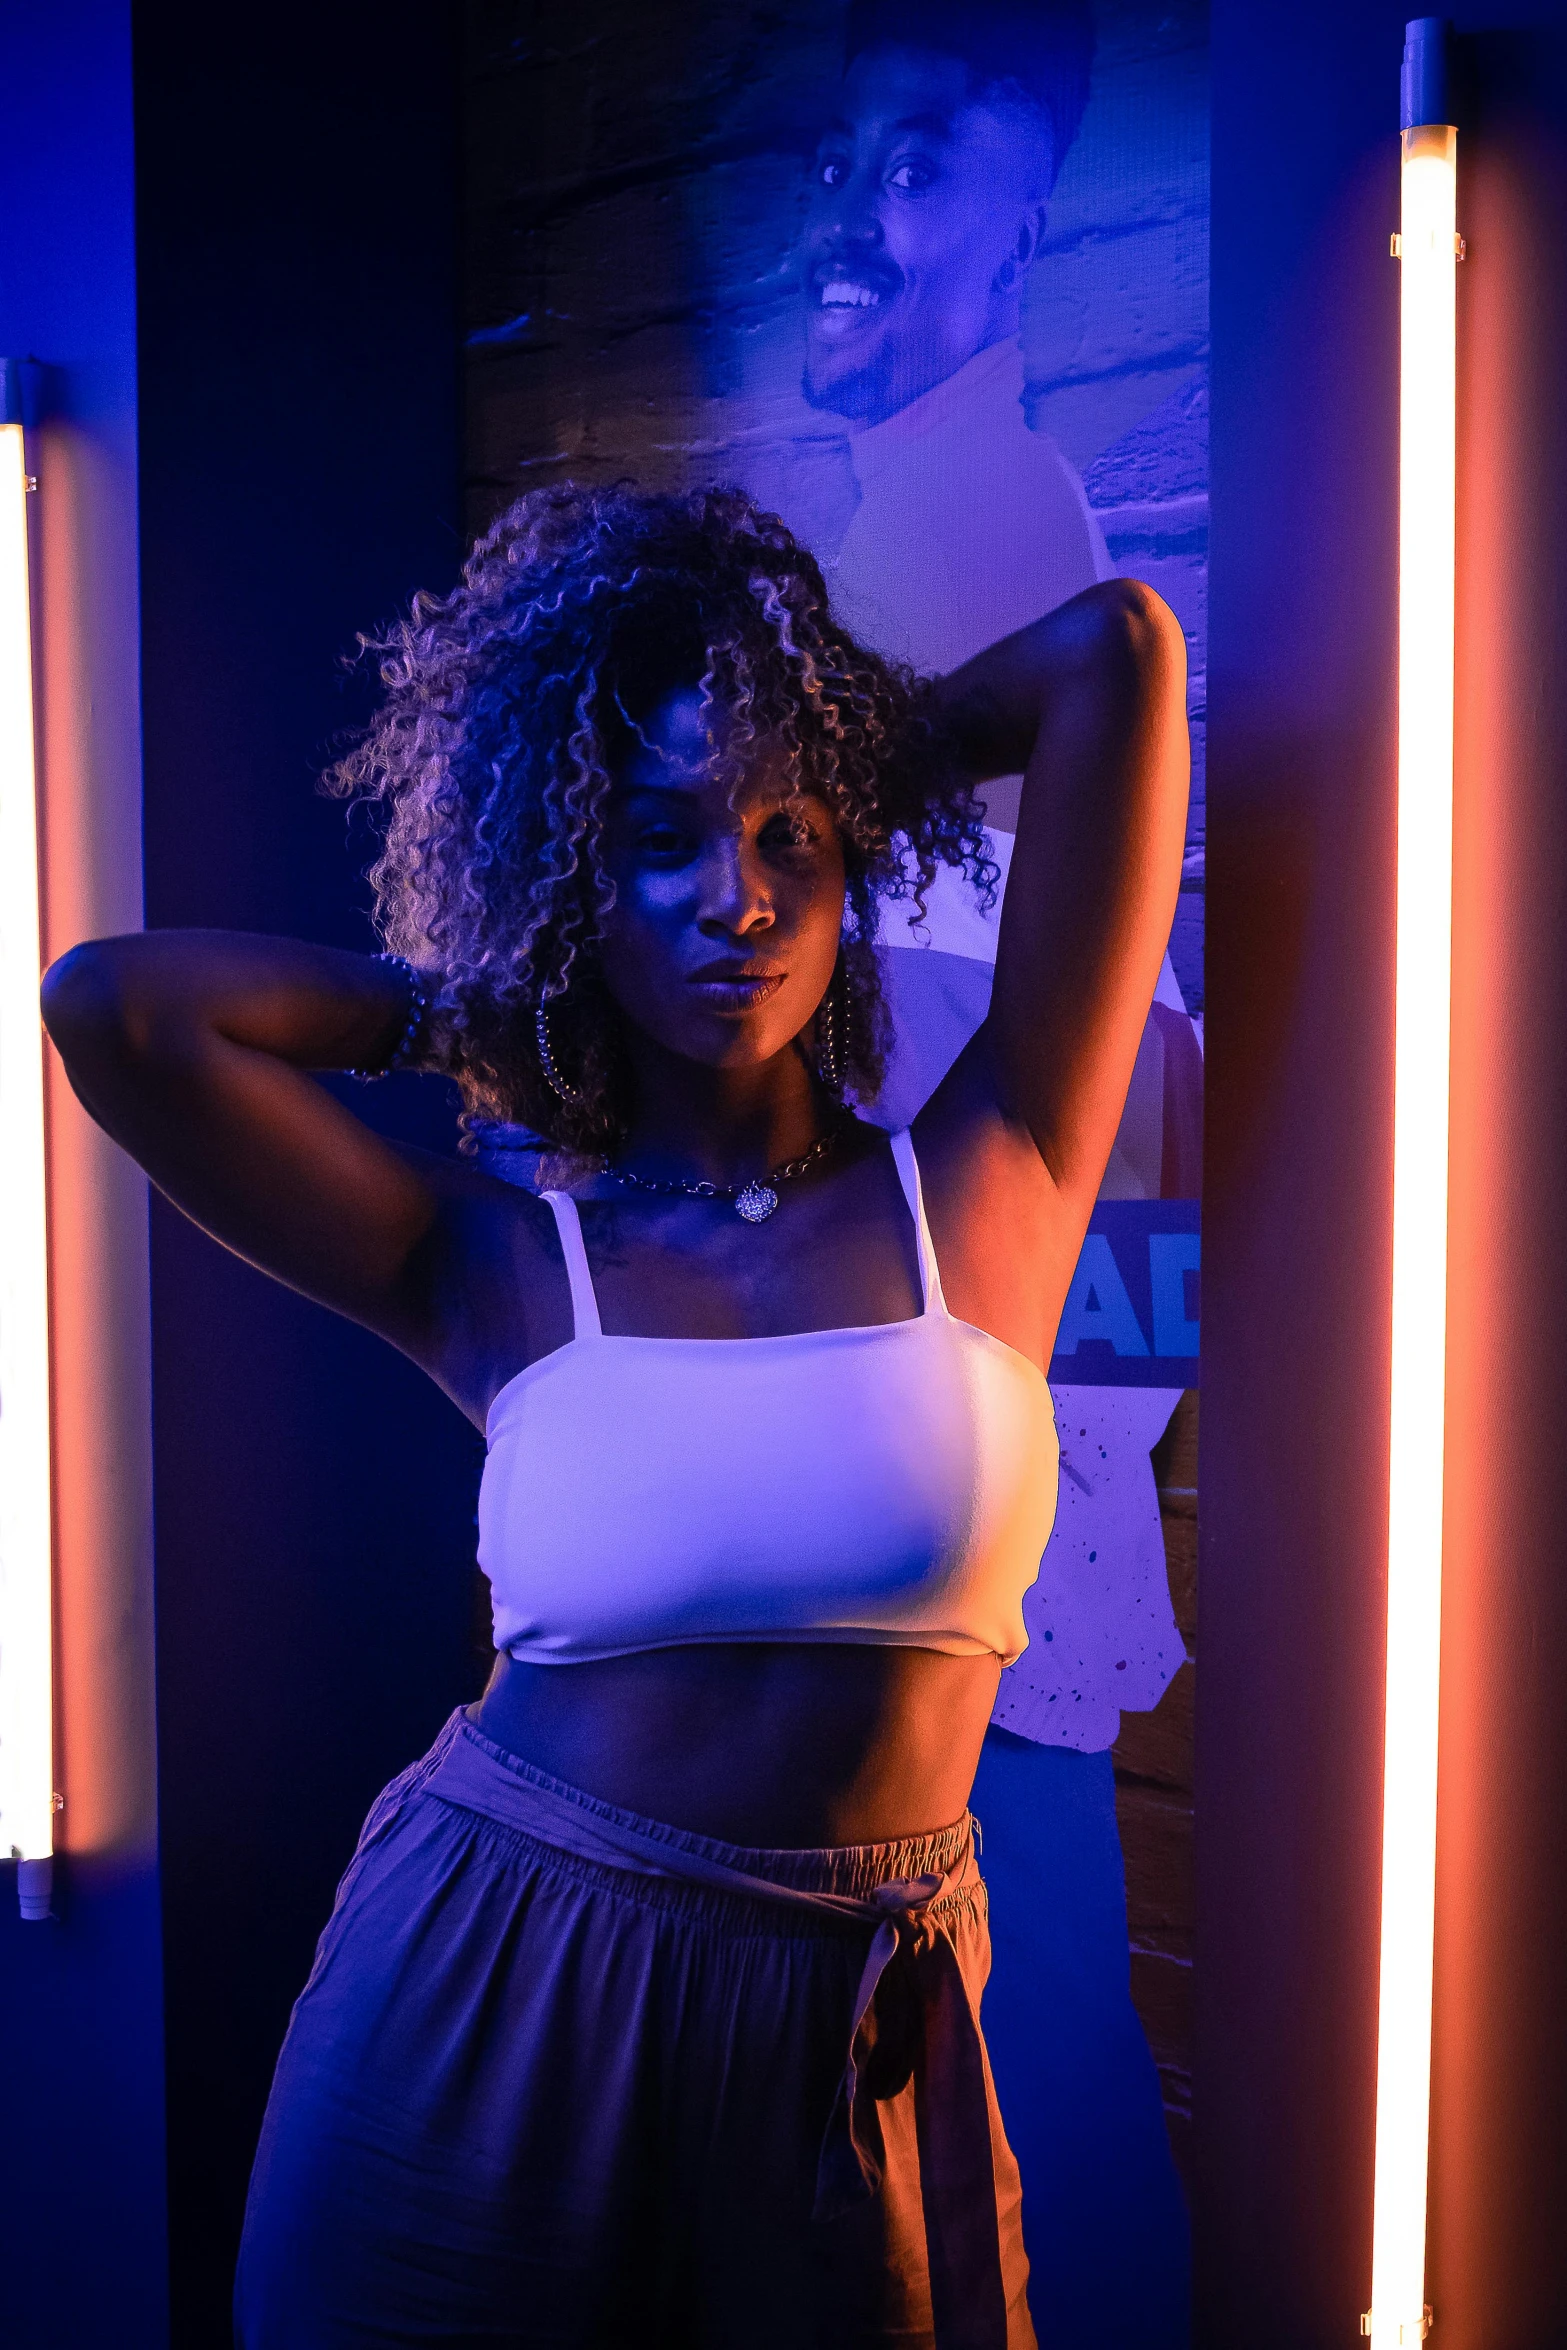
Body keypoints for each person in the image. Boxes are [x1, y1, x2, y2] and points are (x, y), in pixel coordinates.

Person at [42, 484, 1187, 2349]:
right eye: (660, 840)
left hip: (849, 2023)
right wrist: (463, 1006)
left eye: (783, 841)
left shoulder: (990, 1183)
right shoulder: (491, 1262)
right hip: (499, 1991)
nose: (733, 896)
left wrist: (828, 746)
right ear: (580, 875)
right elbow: (115, 1010)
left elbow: (1115, 656)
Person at [748, 11, 1201, 2339]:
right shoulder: (910, 522)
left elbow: (943, 1017)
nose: (854, 209)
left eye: (919, 168)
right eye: (840, 156)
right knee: (985, 1983)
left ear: (1029, 221)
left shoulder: (974, 516)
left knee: (1007, 1991)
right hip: (960, 1381)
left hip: (964, 1393)